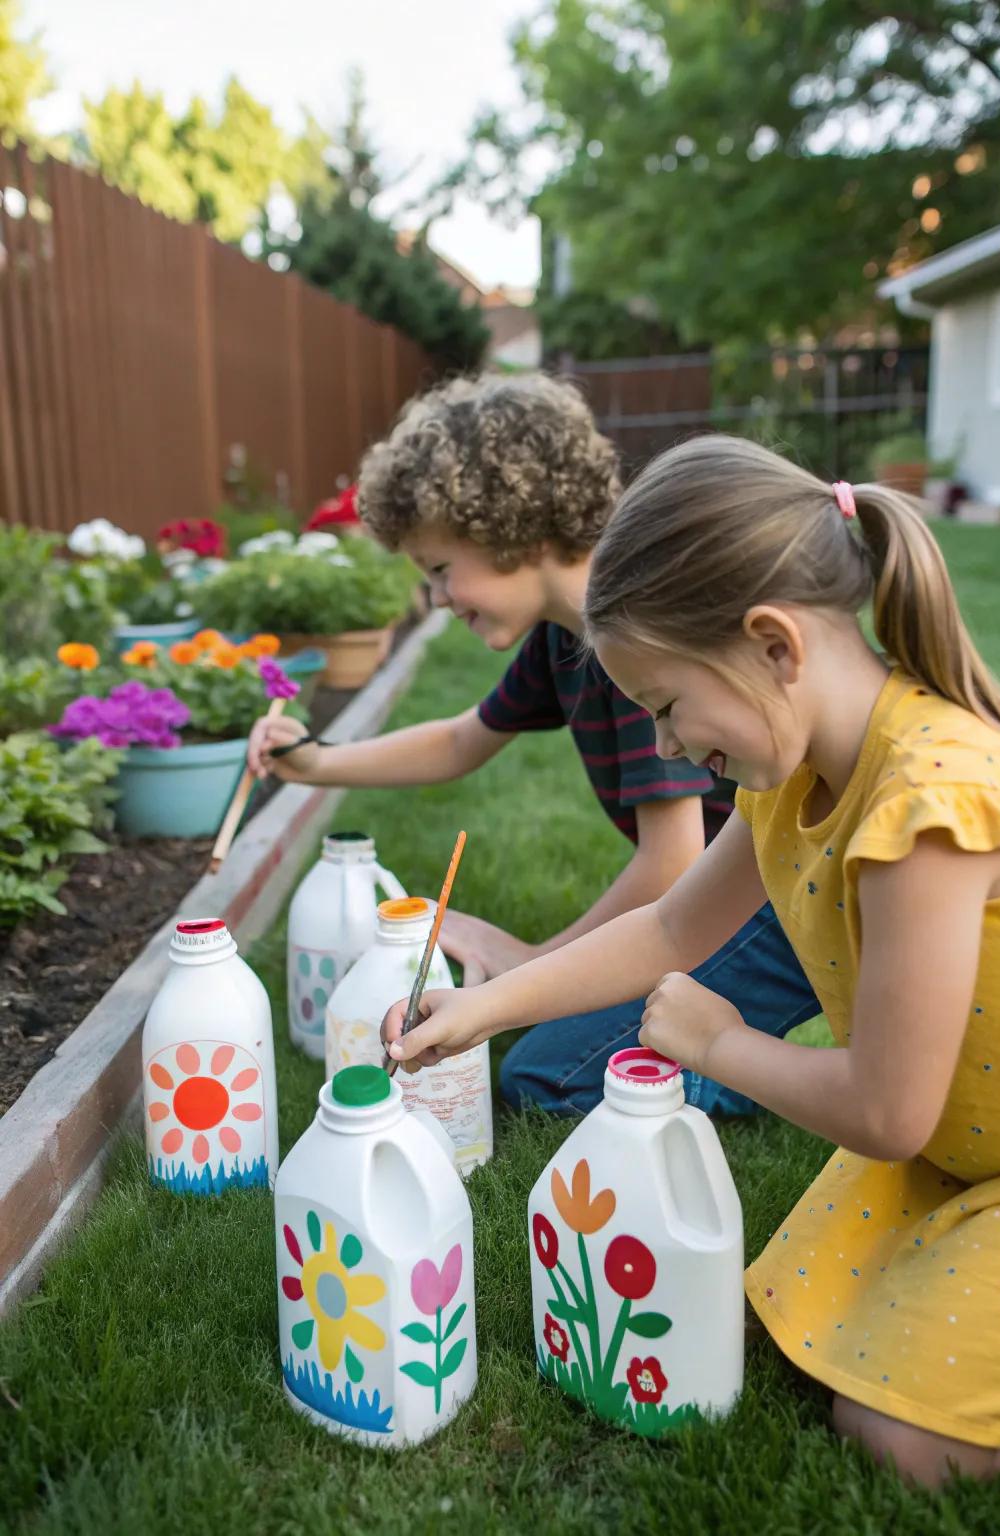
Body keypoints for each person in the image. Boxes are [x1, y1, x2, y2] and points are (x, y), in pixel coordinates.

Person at [384, 434, 1000, 1487]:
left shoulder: (926, 810)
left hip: (954, 1145)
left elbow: (886, 1111)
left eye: (668, 709)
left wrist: (716, 1043)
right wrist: (484, 1011)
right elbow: (673, 931)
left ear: (773, 645)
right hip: (958, 1155)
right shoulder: (790, 773)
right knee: (780, 1319)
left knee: (900, 1440)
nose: (670, 748)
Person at [250, 376, 821, 1116]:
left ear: (513, 528)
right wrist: (317, 761)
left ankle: (760, 1072)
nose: (439, 597)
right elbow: (462, 740)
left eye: (440, 570)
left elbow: (671, 868)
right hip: (720, 894)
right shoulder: (563, 636)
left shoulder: (632, 648)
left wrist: (529, 964)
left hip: (758, 903)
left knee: (545, 1077)